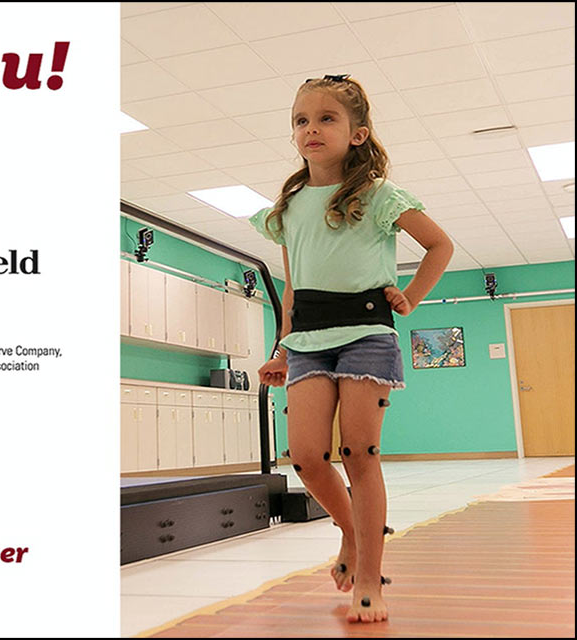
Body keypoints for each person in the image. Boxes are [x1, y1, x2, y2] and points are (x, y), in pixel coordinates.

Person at [252, 75, 453, 623]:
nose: (311, 129)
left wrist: (409, 298)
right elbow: (293, 288)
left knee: (358, 451)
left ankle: (369, 576)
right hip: (310, 338)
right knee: (307, 456)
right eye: (301, 120)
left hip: (367, 330)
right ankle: (349, 530)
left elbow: (440, 244)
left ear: (358, 133)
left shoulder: (380, 194)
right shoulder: (290, 207)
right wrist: (283, 349)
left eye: (326, 119)